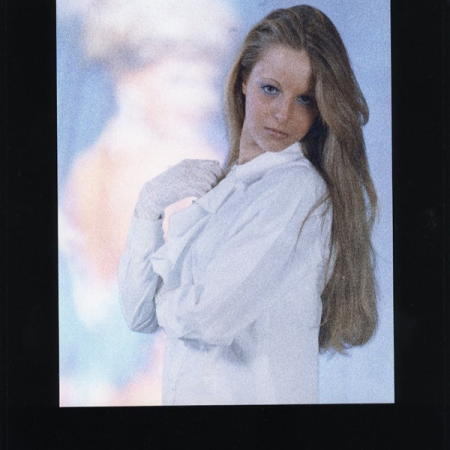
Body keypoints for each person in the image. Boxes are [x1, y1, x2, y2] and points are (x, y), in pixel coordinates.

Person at [118, 5, 378, 405]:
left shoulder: (297, 189)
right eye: (270, 89)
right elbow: (139, 317)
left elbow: (208, 319)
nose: (283, 114)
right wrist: (149, 205)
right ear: (243, 81)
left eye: (305, 99)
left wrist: (164, 298)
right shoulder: (229, 190)